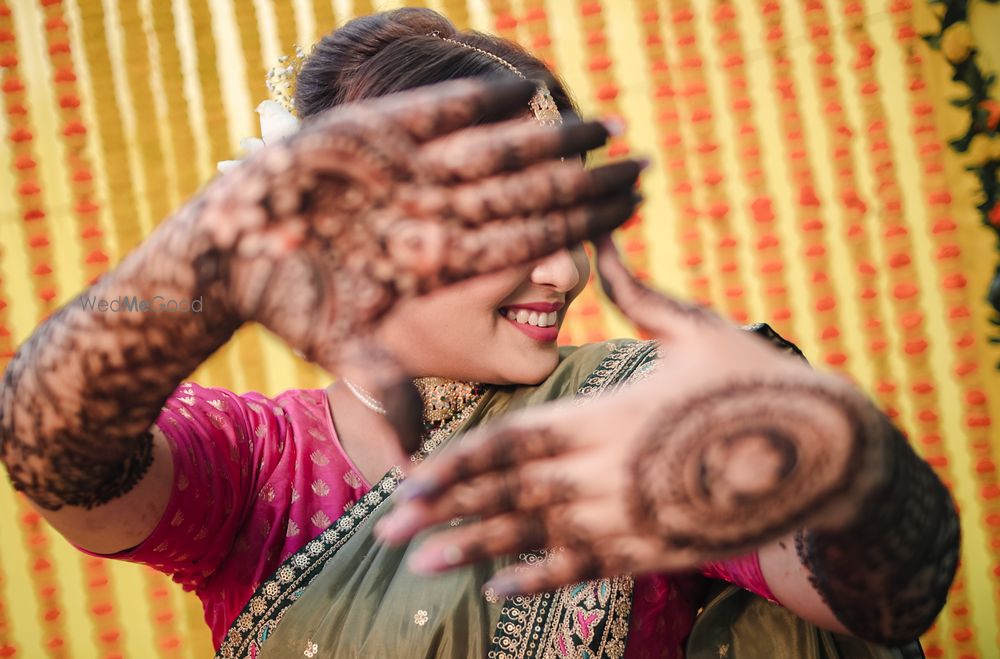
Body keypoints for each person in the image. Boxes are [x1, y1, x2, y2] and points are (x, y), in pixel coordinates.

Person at [0, 8, 955, 659]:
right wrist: (215, 254)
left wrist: (841, 454)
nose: (563, 270)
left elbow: (879, 594)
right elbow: (51, 445)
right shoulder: (259, 470)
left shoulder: (633, 409)